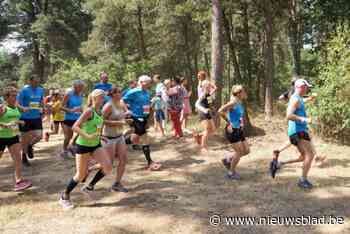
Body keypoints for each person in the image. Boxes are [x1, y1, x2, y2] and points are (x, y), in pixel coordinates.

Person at [59, 89, 112, 209]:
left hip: (96, 144)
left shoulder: (100, 112)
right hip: (83, 145)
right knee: (80, 175)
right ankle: (64, 196)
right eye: (102, 97)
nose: (104, 99)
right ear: (95, 98)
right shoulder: (89, 111)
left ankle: (89, 187)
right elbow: (75, 127)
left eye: (104, 96)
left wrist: (101, 136)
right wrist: (88, 136)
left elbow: (96, 127)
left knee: (108, 167)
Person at [82, 87, 130, 193]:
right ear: (112, 95)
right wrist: (118, 123)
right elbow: (101, 121)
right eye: (118, 92)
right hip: (109, 137)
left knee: (124, 159)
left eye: (120, 92)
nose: (120, 94)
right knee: (109, 164)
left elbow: (124, 114)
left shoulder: (121, 103)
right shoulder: (108, 106)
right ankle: (90, 183)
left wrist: (126, 118)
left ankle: (117, 184)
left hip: (119, 136)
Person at [122, 75, 161, 171]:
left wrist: (148, 117)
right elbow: (122, 100)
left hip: (144, 117)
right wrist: (127, 110)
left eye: (149, 82)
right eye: (147, 82)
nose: (149, 84)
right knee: (144, 138)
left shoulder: (147, 92)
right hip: (135, 117)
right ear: (141, 82)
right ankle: (150, 162)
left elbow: (146, 106)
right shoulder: (134, 91)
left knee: (137, 138)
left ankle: (117, 142)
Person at [283, 79, 315, 189]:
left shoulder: (299, 98)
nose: (307, 89)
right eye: (306, 87)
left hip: (300, 130)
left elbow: (302, 102)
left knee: (304, 156)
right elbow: (288, 115)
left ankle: (279, 164)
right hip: (298, 131)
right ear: (300, 87)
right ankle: (303, 180)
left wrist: (310, 98)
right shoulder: (295, 99)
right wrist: (304, 119)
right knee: (309, 155)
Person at [0, 87, 32, 191]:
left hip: (13, 136)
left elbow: (16, 118)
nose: (15, 97)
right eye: (13, 95)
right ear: (6, 97)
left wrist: (19, 122)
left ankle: (18, 181)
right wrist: (4, 124)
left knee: (18, 159)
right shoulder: (3, 108)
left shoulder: (16, 106)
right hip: (1, 137)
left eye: (16, 95)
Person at [218, 85, 250, 180]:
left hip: (239, 130)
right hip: (232, 130)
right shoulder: (233, 102)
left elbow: (238, 116)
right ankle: (231, 173)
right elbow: (220, 111)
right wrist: (229, 122)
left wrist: (241, 124)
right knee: (239, 152)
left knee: (246, 150)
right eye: (244, 91)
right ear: (239, 93)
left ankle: (228, 160)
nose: (245, 93)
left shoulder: (239, 102)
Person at [17, 76, 45, 166]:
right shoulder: (24, 90)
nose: (36, 84)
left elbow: (41, 100)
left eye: (38, 82)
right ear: (30, 81)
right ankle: (24, 157)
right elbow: (17, 103)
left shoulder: (40, 90)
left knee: (39, 136)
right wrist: (23, 108)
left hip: (36, 116)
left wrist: (42, 108)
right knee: (25, 139)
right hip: (25, 118)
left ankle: (30, 146)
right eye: (35, 82)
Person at [61, 80, 84, 158]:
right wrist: (70, 110)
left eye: (82, 87)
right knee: (68, 136)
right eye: (80, 87)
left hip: (78, 117)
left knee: (82, 131)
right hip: (69, 118)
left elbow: (80, 105)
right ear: (75, 87)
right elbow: (61, 107)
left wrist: (82, 111)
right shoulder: (68, 94)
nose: (81, 89)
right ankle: (64, 151)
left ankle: (72, 145)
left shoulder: (81, 94)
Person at [194, 80, 216, 153]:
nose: (209, 87)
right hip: (203, 113)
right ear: (204, 87)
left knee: (213, 129)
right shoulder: (202, 94)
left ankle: (199, 136)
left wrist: (213, 109)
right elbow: (196, 104)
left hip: (208, 113)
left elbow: (210, 104)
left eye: (209, 86)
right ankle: (203, 147)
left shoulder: (208, 95)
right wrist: (203, 109)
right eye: (208, 86)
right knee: (207, 130)